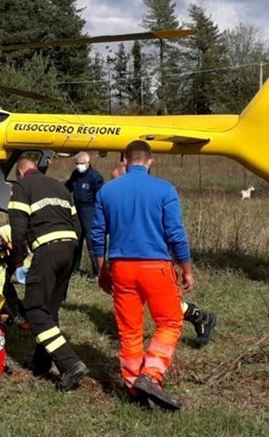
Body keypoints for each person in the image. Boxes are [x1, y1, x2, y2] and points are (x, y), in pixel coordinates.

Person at [92, 140, 192, 410]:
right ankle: (151, 375)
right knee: (170, 322)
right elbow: (175, 233)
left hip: (121, 268)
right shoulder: (164, 189)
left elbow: (97, 234)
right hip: (155, 266)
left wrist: (102, 270)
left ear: (125, 161)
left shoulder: (107, 191)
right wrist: (186, 268)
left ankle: (133, 387)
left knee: (129, 331)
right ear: (150, 161)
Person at [110, 161, 216, 348]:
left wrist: (185, 266)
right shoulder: (123, 191)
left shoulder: (152, 190)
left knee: (160, 302)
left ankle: (200, 317)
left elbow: (173, 231)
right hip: (132, 256)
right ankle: (130, 337)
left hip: (152, 255)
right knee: (141, 298)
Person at [8, 156, 89, 392]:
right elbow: (78, 225)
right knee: (49, 309)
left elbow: (17, 229)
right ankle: (41, 363)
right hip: (69, 249)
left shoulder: (22, 186)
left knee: (34, 310)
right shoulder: (59, 186)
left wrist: (18, 261)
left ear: (20, 173)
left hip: (47, 250)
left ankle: (70, 364)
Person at [64, 152, 105, 278]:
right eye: (77, 163)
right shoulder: (76, 174)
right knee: (76, 239)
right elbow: (67, 187)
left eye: (81, 163)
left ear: (88, 163)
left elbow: (101, 196)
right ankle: (74, 269)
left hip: (89, 210)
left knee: (91, 240)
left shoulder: (95, 177)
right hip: (77, 209)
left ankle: (97, 271)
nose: (79, 166)